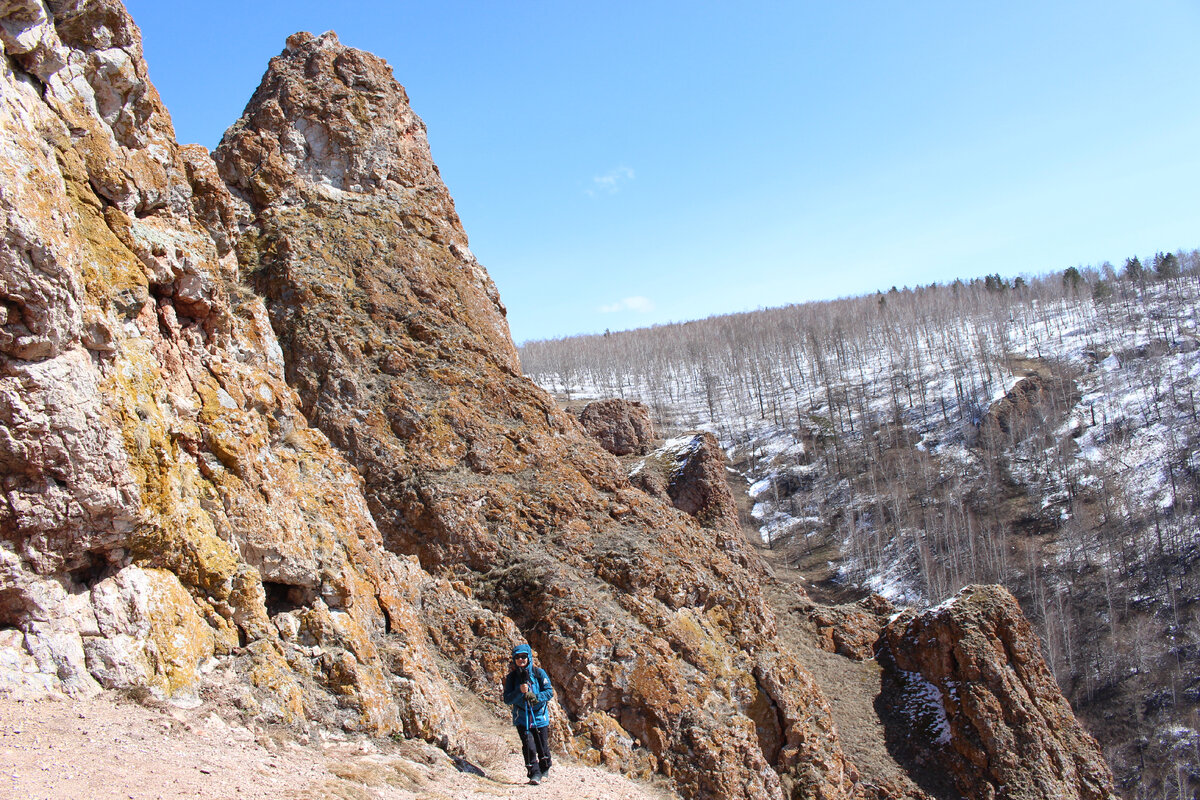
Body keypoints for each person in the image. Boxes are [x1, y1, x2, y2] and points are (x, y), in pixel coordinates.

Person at [502, 643, 554, 785]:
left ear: (529, 657)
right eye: (518, 657)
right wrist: (520, 691)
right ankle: (534, 773)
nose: (521, 660)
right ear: (514, 659)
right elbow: (507, 699)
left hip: (539, 716)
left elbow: (549, 692)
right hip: (522, 718)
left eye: (524, 657)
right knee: (529, 746)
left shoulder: (539, 673)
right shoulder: (512, 678)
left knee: (541, 744)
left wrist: (536, 697)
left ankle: (545, 769)